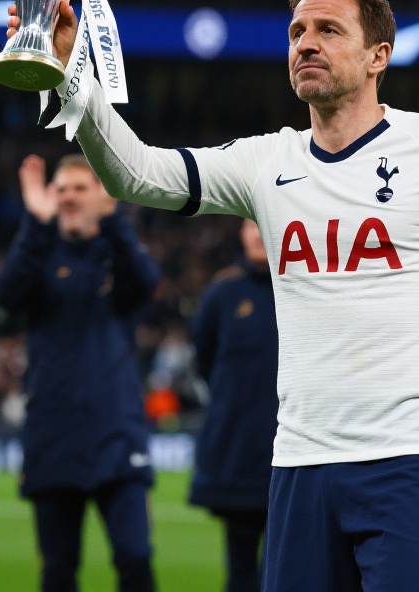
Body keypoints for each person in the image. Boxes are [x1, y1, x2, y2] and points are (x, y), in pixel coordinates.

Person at [5, 0, 419, 592]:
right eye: (297, 31)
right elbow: (134, 174)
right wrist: (72, 73)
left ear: (378, 56)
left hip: (414, 457)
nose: (306, 42)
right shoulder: (266, 161)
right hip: (303, 461)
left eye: (329, 29)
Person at [0, 154, 162, 592]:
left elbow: (146, 283)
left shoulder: (116, 252)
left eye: (80, 187)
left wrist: (114, 217)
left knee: (135, 558)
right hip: (54, 432)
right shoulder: (41, 250)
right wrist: (37, 224)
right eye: (60, 188)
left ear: (101, 193)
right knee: (58, 570)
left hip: (116, 430)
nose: (68, 196)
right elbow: (5, 296)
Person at [188, 218, 278, 592]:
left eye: (263, 222)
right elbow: (203, 359)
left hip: (295, 450)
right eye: (250, 224)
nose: (257, 232)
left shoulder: (304, 286)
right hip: (239, 452)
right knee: (240, 569)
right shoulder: (222, 293)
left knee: (288, 569)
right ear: (241, 233)